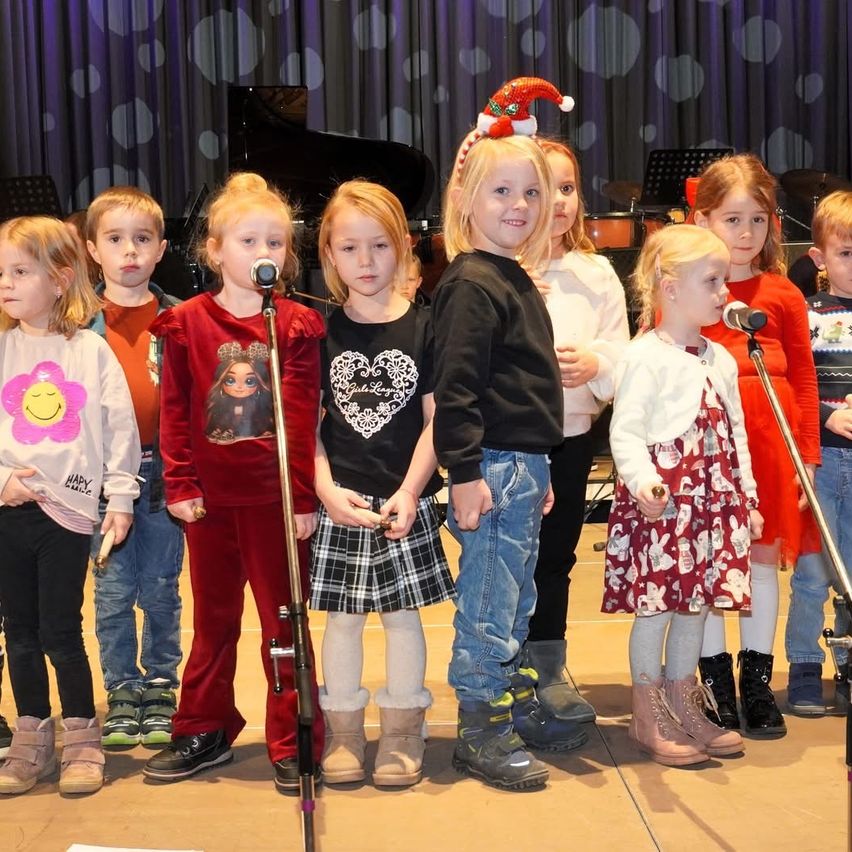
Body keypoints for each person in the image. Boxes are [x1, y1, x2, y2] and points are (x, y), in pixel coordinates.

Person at [141, 173, 326, 792]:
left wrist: (301, 497)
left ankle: (291, 736)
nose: (264, 253)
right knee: (214, 620)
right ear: (215, 250)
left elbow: (300, 417)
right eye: (249, 241)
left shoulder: (296, 325)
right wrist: (181, 483)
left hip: (275, 506)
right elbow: (174, 411)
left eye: (276, 242)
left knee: (285, 623)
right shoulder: (187, 323)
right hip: (211, 507)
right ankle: (204, 727)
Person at [432, 77, 587, 792]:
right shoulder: (471, 283)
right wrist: (465, 474)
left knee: (518, 595)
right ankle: (479, 728)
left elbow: (527, 390)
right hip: (489, 470)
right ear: (468, 201)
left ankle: (508, 701)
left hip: (523, 466)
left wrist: (544, 470)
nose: (520, 206)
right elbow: (456, 391)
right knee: (490, 601)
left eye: (533, 193)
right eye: (502, 193)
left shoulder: (515, 278)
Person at [311, 180, 454, 788]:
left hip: (403, 500)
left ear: (403, 249)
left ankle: (402, 731)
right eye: (350, 248)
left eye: (379, 247)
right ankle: (344, 733)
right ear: (329, 254)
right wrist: (323, 491)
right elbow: (308, 426)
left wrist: (412, 490)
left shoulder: (426, 328)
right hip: (339, 502)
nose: (365, 263)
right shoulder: (317, 332)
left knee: (401, 617)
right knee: (340, 621)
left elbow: (436, 421)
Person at [603, 224, 761, 765]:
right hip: (666, 508)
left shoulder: (720, 358)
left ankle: (684, 701)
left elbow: (735, 431)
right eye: (713, 281)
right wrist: (644, 480)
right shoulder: (645, 356)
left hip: (712, 507)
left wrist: (749, 498)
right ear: (670, 289)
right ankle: (648, 714)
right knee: (658, 609)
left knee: (695, 609)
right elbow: (625, 430)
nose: (726, 293)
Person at [0, 216, 141, 794]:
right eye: (1, 272)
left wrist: (122, 496)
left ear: (60, 280)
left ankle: (82, 735)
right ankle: (32, 734)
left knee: (61, 628)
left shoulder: (90, 350)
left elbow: (119, 427)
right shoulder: (3, 348)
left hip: (66, 513)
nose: (6, 283)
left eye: (20, 271)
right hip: (9, 510)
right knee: (19, 631)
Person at [692, 154, 821, 737]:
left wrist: (808, 457)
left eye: (758, 221)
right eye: (732, 220)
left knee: (763, 561)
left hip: (772, 443)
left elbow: (806, 378)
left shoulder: (783, 294)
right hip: (709, 447)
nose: (746, 234)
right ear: (702, 221)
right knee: (717, 565)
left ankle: (757, 681)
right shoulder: (690, 289)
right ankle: (716, 681)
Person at [522, 139, 629, 723]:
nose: (558, 202)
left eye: (567, 188)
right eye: (542, 188)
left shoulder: (597, 273)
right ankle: (502, 663)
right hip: (510, 442)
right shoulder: (502, 269)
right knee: (510, 557)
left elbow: (620, 347)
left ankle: (549, 662)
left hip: (571, 433)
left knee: (557, 555)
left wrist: (596, 366)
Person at [84, 186, 184, 748]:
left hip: (166, 473)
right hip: (102, 481)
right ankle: (122, 687)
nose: (130, 251)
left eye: (142, 239)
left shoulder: (180, 319)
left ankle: (161, 684)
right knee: (114, 591)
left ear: (161, 248)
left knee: (162, 588)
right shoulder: (76, 324)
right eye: (115, 239)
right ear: (93, 250)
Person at [784, 190, 852, 715]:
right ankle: (805, 667)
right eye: (847, 252)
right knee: (812, 574)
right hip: (822, 462)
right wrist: (830, 415)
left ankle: (847, 666)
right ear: (820, 258)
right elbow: (795, 386)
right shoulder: (807, 314)